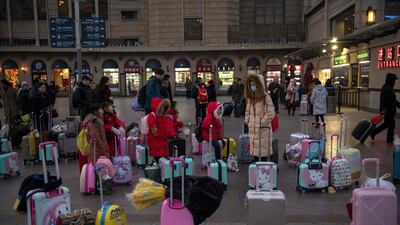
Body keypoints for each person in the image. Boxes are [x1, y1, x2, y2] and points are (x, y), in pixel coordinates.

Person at [244, 74, 275, 161]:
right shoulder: (251, 97)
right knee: (254, 151)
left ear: (259, 85)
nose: (252, 87)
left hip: (263, 129)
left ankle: (263, 171)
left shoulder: (266, 97)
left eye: (254, 85)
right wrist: (247, 120)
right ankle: (256, 168)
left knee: (263, 152)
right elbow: (248, 111)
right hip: (253, 128)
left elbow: (271, 112)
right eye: (250, 85)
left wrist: (262, 122)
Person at [370, 73, 400, 143]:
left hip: (388, 110)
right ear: (391, 80)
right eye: (394, 80)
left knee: (387, 124)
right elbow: (386, 101)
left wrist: (398, 105)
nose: (395, 82)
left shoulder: (388, 87)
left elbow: (393, 100)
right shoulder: (387, 88)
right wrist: (384, 111)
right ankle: (389, 139)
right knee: (391, 125)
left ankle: (373, 133)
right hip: (388, 110)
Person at [147, 98, 177, 162]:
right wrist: (164, 134)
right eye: (162, 107)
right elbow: (154, 131)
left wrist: (171, 133)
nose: (163, 110)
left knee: (162, 160)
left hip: (162, 143)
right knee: (158, 159)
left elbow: (168, 126)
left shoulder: (163, 116)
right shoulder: (152, 116)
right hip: (156, 143)